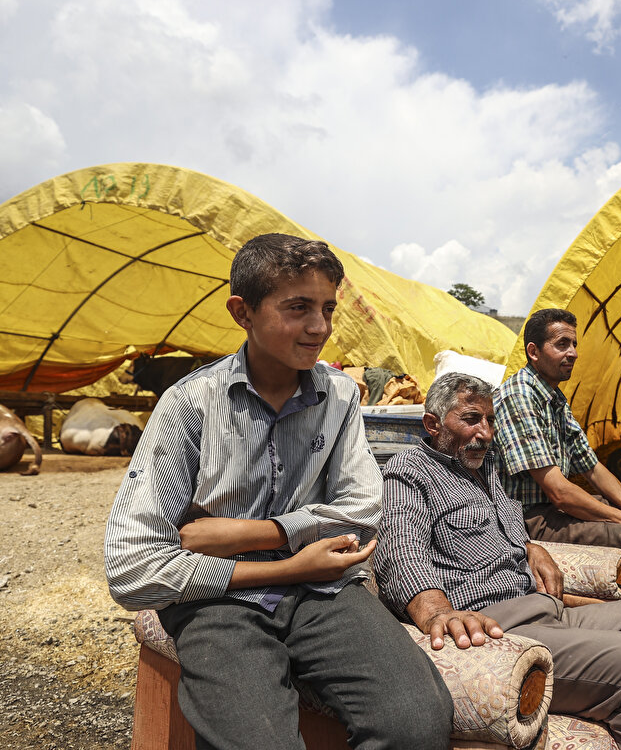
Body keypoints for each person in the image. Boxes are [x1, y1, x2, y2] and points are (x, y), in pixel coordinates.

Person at [104, 234, 452, 750]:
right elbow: (131, 568)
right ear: (242, 312)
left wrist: (248, 533)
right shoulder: (190, 406)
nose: (320, 327)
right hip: (217, 601)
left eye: (328, 308)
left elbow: (362, 512)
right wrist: (291, 565)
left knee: (417, 722)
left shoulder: (336, 396)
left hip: (323, 592)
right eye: (298, 308)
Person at [375, 373, 621, 750]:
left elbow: (502, 530)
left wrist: (530, 545)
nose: (485, 432)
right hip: (499, 626)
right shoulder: (410, 470)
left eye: (489, 420)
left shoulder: (486, 468)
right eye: (471, 418)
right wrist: (436, 611)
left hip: (545, 609)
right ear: (433, 424)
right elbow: (400, 549)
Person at [493, 308, 621, 598]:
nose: (572, 353)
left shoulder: (553, 397)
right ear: (534, 352)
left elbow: (593, 468)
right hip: (531, 519)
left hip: (555, 509)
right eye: (562, 345)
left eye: (574, 344)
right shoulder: (519, 397)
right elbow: (558, 491)